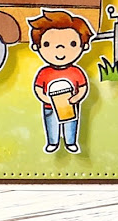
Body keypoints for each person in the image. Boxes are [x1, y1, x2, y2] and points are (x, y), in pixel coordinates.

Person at [28, 10, 95, 154]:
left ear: (83, 46)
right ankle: (53, 142)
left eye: (72, 43)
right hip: (50, 106)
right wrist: (46, 98)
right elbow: (38, 88)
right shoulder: (44, 73)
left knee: (71, 124)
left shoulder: (75, 72)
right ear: (37, 46)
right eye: (47, 44)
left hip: (70, 105)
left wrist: (76, 98)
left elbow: (82, 87)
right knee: (51, 124)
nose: (60, 49)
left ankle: (71, 142)